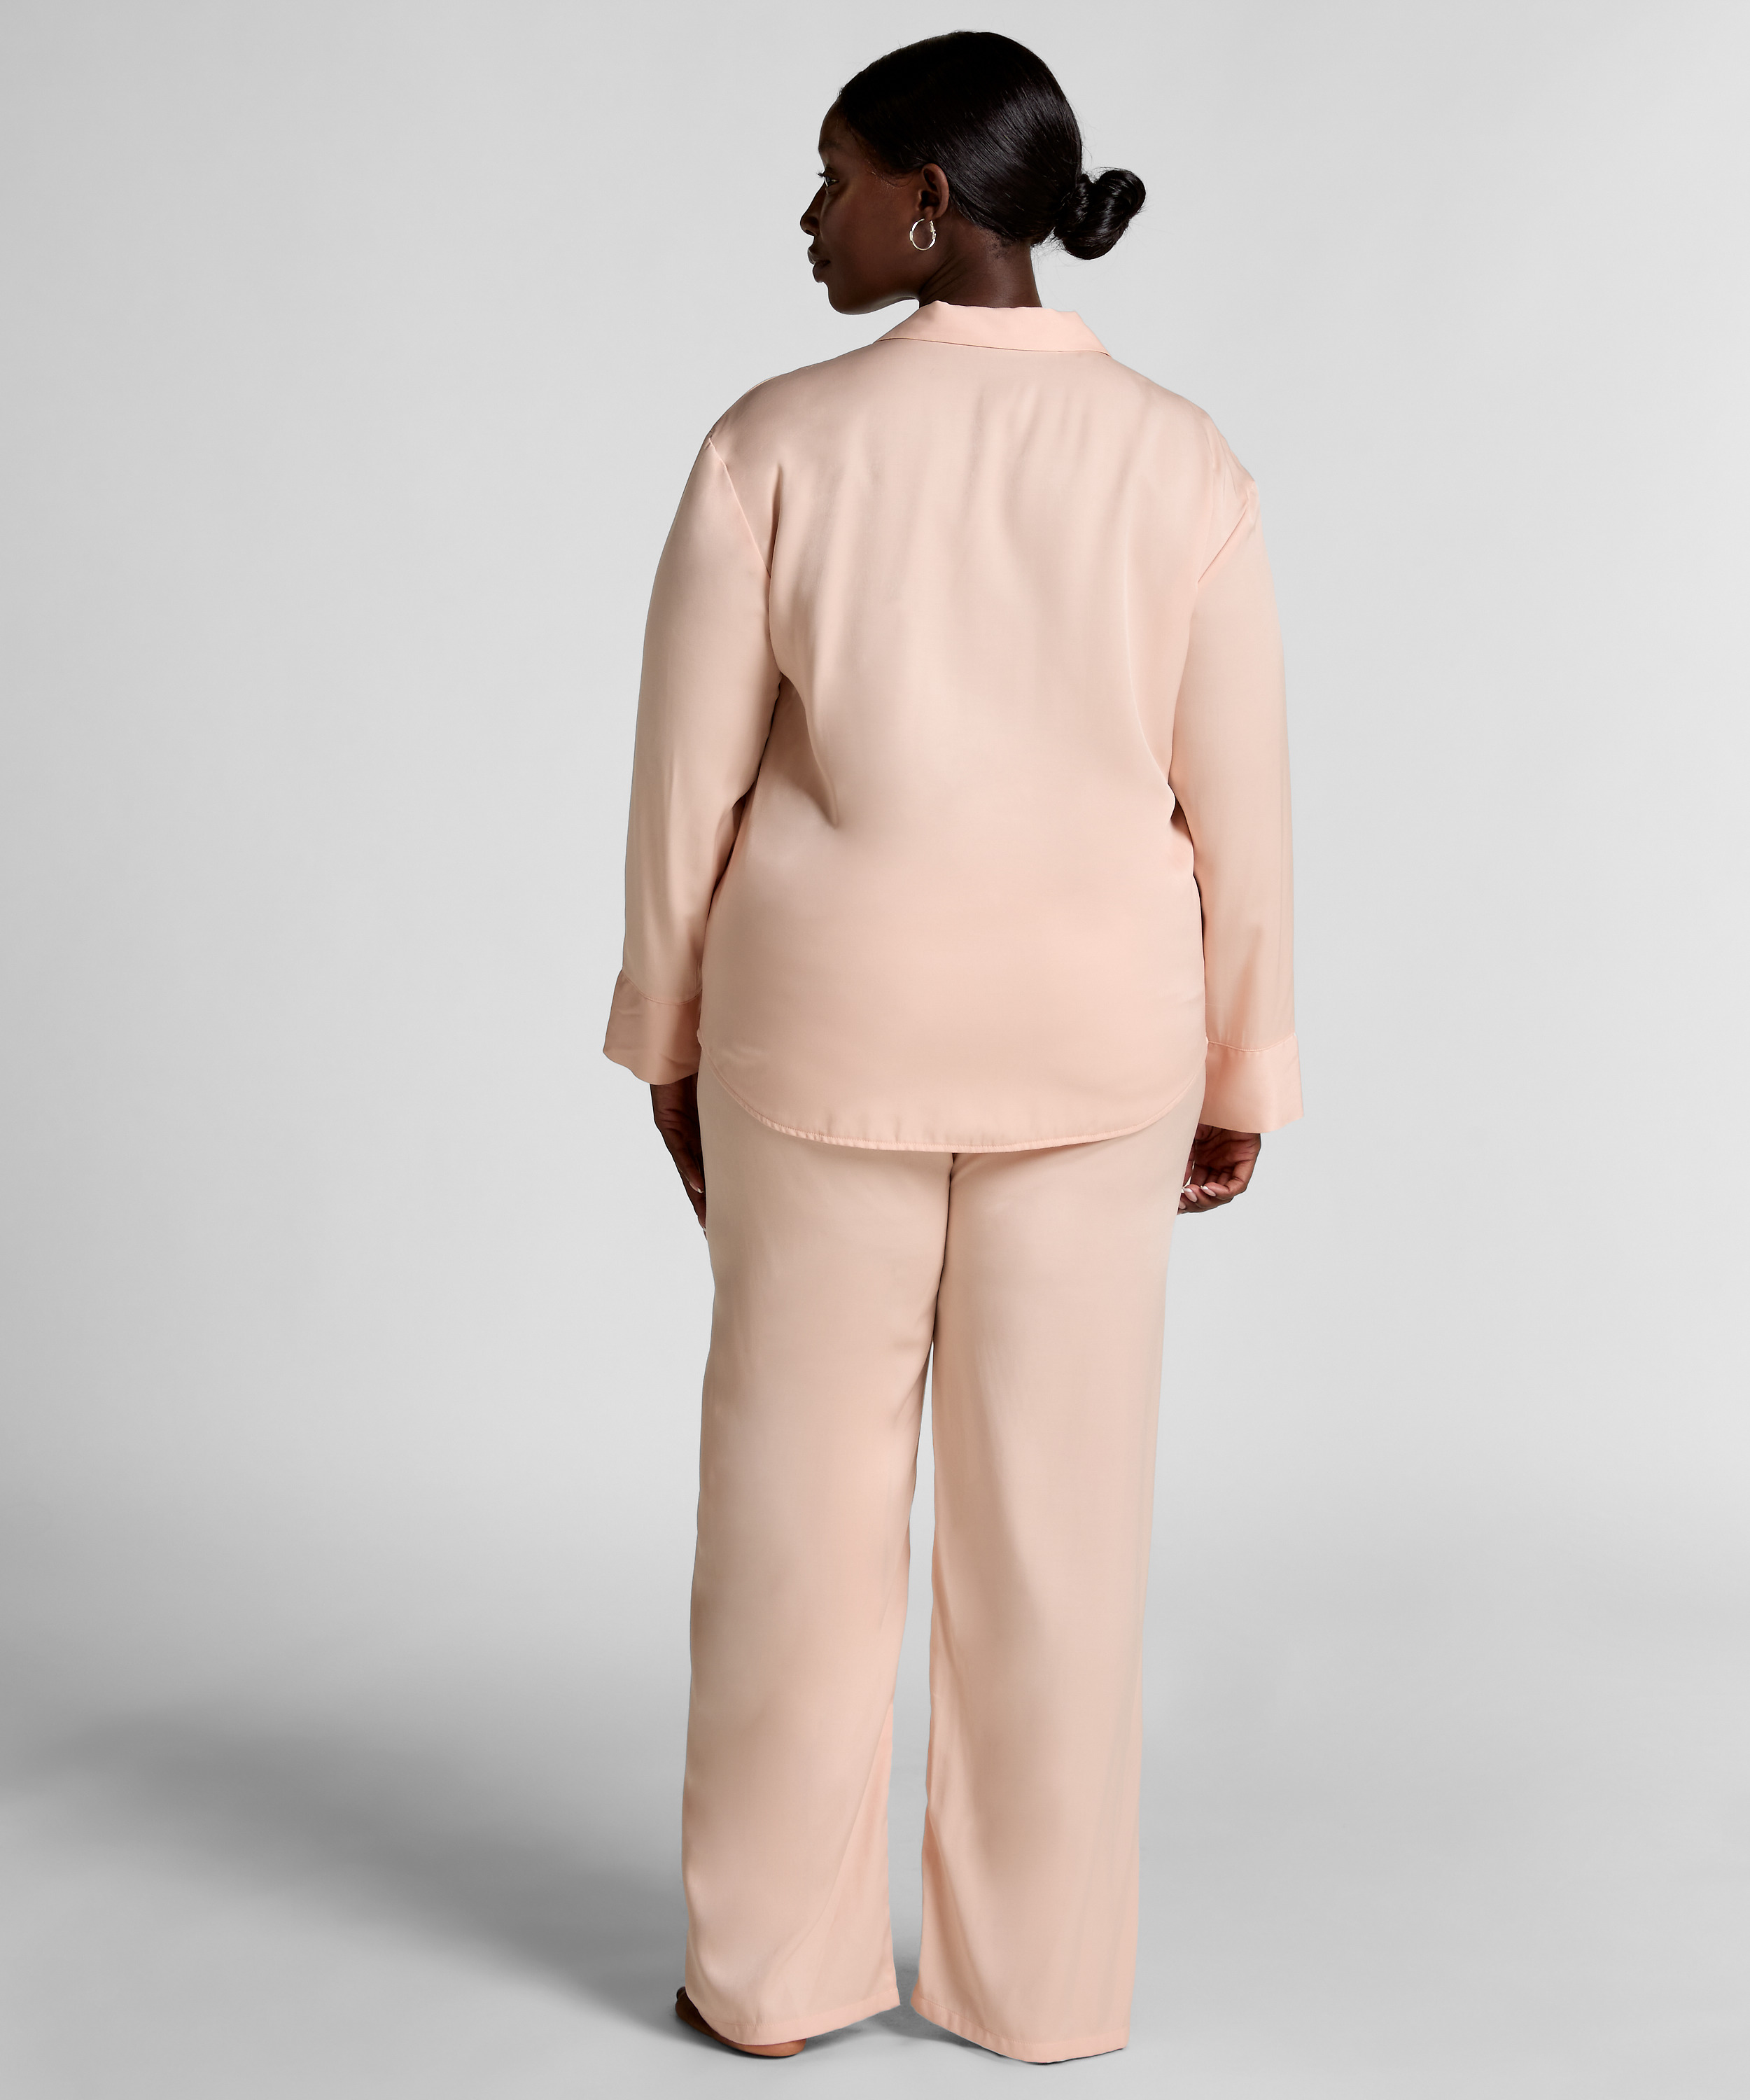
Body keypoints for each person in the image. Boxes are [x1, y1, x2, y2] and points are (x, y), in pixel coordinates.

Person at [603, 29, 1301, 2066]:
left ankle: (767, 1978)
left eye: (832, 177)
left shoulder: (772, 447)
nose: (808, 217)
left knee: (789, 1525)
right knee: (1059, 1541)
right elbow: (1238, 808)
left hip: (818, 1045)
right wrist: (1244, 1068)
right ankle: (1039, 1987)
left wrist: (667, 1032)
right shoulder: (1179, 461)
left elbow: (684, 791)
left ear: (928, 199)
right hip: (1095, 1058)